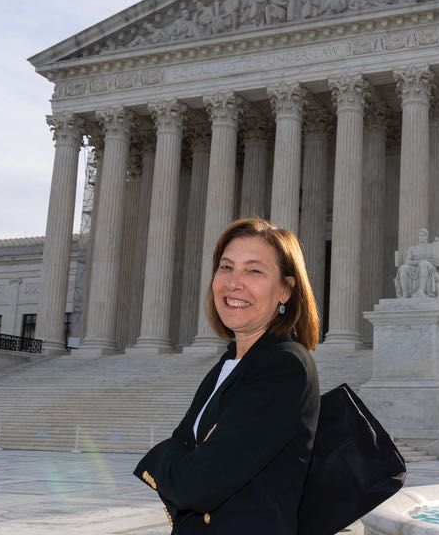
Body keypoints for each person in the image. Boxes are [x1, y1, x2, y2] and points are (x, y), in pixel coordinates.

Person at [134, 217, 321, 534]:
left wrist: (160, 456)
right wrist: (185, 458)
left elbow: (195, 486)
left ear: (286, 290)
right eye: (226, 267)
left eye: (254, 270)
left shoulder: (284, 366)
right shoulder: (228, 363)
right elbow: (188, 459)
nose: (234, 283)